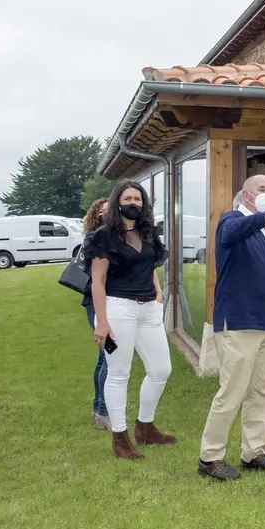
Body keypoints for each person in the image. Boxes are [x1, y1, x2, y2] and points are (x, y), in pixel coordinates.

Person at [198, 174, 265, 481]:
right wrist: (264, 216)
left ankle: (253, 452)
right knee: (232, 391)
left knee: (262, 391)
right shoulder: (231, 221)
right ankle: (210, 457)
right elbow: (235, 231)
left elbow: (258, 272)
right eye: (263, 190)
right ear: (246, 196)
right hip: (239, 321)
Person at [87, 180, 173, 460]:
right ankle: (119, 438)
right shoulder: (104, 236)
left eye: (138, 198)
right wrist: (102, 322)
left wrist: (158, 291)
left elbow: (149, 266)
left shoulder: (148, 233)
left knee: (161, 370)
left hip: (149, 310)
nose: (133, 203)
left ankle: (145, 427)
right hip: (119, 308)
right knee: (119, 373)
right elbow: (98, 281)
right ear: (117, 202)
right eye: (127, 198)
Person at [81, 198, 109, 430]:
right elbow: (98, 278)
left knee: (104, 357)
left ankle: (99, 408)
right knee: (109, 357)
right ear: (97, 214)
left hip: (111, 301)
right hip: (96, 302)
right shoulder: (96, 237)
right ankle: (102, 410)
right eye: (104, 210)